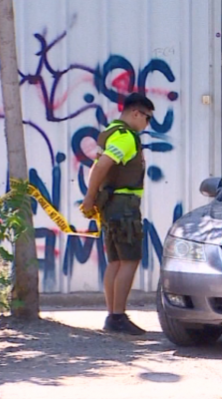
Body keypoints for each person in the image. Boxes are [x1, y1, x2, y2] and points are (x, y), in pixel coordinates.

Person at [81, 93, 154, 335]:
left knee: (115, 261)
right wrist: (89, 197)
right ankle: (118, 316)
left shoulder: (111, 131)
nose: (147, 124)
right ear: (136, 113)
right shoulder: (126, 137)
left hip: (110, 204)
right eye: (148, 118)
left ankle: (113, 315)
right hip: (123, 205)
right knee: (130, 260)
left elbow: (98, 165)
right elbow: (102, 166)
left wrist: (93, 197)